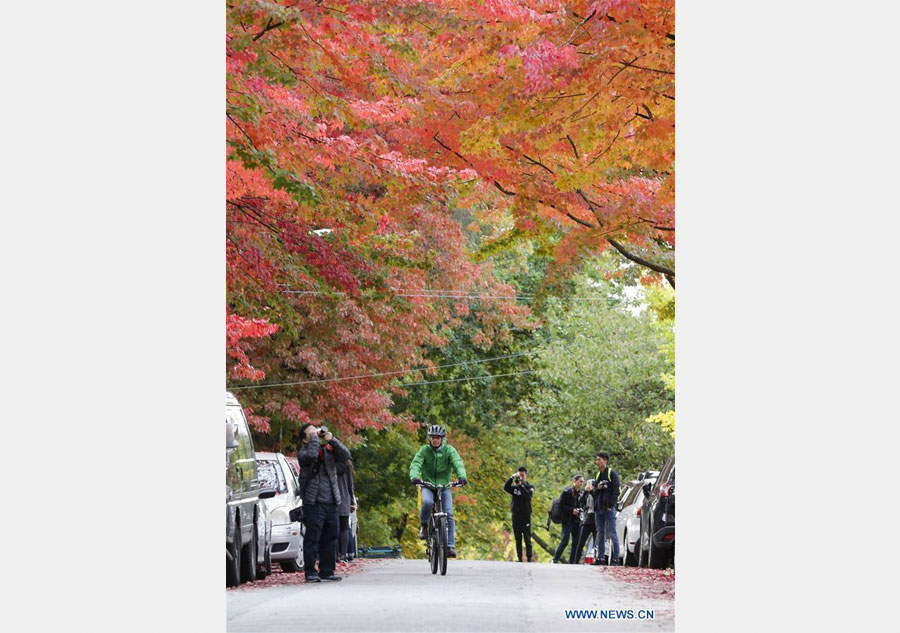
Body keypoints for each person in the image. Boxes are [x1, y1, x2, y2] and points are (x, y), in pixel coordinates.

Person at [297, 423, 351, 582]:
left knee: (331, 536)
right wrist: (315, 439)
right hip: (313, 502)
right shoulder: (304, 453)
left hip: (331, 501)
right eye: (311, 434)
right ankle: (310, 571)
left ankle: (327, 570)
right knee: (313, 538)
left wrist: (332, 440)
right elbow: (312, 456)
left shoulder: (329, 452)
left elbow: (345, 455)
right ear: (305, 440)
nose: (315, 435)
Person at [409, 424, 468, 558]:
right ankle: (424, 525)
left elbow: (457, 462)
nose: (435, 440)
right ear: (429, 439)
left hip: (444, 486)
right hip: (428, 485)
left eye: (438, 438)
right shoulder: (424, 450)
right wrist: (415, 477)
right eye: (433, 438)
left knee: (449, 514)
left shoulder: (449, 451)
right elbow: (416, 463)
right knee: (427, 503)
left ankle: (450, 546)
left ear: (442, 438)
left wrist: (462, 477)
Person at [591, 451, 621, 566]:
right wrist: (598, 488)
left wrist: (610, 505)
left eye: (599, 460)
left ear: (605, 461)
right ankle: (600, 558)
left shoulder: (611, 473)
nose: (597, 462)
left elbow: (616, 490)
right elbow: (594, 493)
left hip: (609, 508)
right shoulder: (598, 475)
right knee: (600, 533)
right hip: (599, 508)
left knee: (612, 533)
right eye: (596, 460)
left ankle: (615, 559)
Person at [504, 466, 535, 562]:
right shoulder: (515, 488)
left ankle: (529, 558)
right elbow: (506, 488)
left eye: (522, 475)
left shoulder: (530, 487)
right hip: (516, 516)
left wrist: (521, 485)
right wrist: (512, 477)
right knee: (518, 539)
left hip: (525, 516)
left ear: (526, 475)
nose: (521, 477)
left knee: (527, 538)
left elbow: (527, 496)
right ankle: (519, 558)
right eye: (519, 475)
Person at [552, 474, 585, 564]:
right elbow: (561, 506)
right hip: (567, 521)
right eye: (580, 481)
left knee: (576, 542)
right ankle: (555, 559)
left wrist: (579, 510)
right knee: (565, 541)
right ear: (574, 481)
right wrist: (571, 510)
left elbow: (582, 506)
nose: (581, 483)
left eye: (582, 482)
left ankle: (572, 562)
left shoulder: (581, 494)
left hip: (577, 521)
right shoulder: (566, 492)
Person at [336, 459, 356, 563]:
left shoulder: (329, 463)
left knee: (334, 528)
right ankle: (343, 555)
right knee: (344, 528)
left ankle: (336, 555)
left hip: (332, 500)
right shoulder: (346, 465)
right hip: (344, 499)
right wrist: (352, 501)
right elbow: (350, 486)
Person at [574, 479, 597, 563]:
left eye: (590, 484)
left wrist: (591, 491)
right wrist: (586, 492)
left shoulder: (596, 493)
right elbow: (581, 501)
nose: (588, 486)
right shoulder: (586, 493)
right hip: (587, 520)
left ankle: (596, 559)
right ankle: (576, 561)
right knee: (581, 542)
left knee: (596, 542)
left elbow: (596, 501)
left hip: (596, 520)